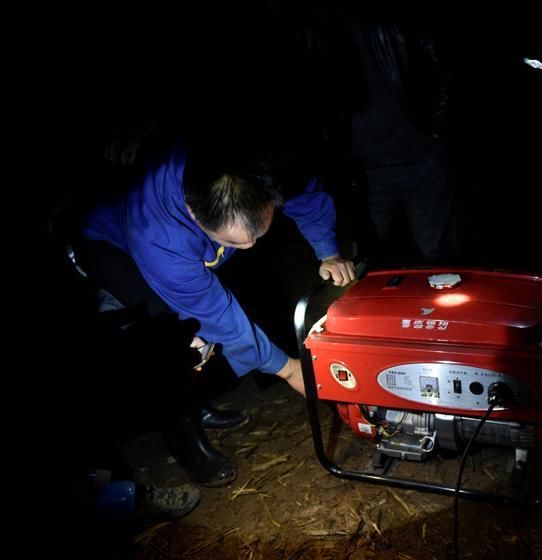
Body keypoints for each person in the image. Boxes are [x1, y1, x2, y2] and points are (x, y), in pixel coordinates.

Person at [69, 137, 356, 487]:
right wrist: (288, 369)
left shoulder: (265, 164)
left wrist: (327, 250)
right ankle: (185, 439)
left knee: (245, 282)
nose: (249, 246)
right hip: (111, 243)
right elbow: (217, 314)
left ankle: (206, 397)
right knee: (173, 336)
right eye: (235, 241)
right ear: (193, 212)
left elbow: (305, 192)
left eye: (258, 233)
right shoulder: (158, 236)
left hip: (189, 234)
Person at [321, 4, 458, 260]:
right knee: (369, 256)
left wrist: (436, 134)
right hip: (363, 170)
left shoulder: (402, 19)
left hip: (421, 160)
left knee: (437, 253)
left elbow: (442, 73)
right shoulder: (325, 31)